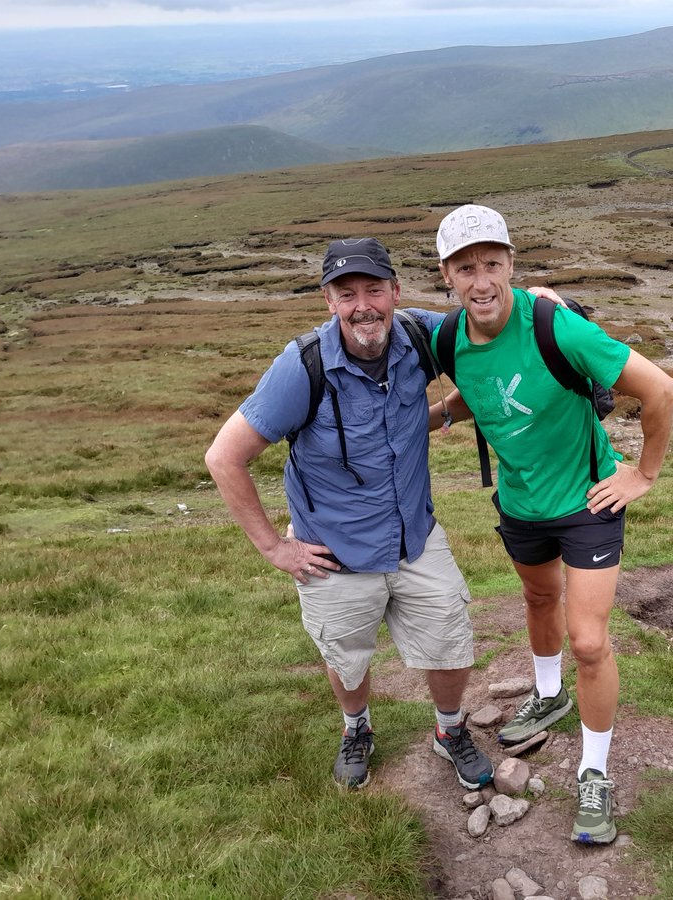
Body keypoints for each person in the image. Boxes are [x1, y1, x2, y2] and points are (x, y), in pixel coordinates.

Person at [204, 236, 494, 792]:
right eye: (346, 292)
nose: (363, 304)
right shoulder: (303, 365)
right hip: (332, 551)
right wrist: (274, 547)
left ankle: (449, 731)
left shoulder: (420, 335)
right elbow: (224, 457)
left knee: (451, 643)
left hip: (415, 538)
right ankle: (355, 728)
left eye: (374, 289)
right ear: (328, 300)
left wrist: (544, 302)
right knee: (348, 657)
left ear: (396, 292)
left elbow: (494, 327)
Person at [432, 204, 673, 844]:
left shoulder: (556, 327)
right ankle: (549, 693)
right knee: (538, 597)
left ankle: (595, 773)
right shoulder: (444, 339)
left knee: (590, 641)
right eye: (466, 268)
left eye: (491, 264)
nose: (480, 280)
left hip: (588, 503)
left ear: (511, 265)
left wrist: (643, 474)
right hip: (518, 505)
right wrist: (438, 417)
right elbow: (483, 385)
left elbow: (659, 389)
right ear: (447, 277)